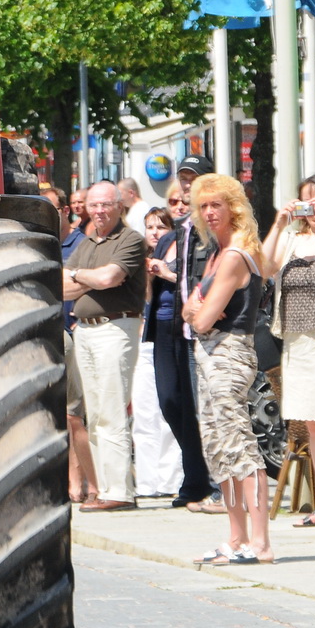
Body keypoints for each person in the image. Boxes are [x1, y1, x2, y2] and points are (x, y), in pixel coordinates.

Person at [183, 175, 272, 564]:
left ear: (233, 206)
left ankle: (261, 543)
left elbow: (200, 319)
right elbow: (193, 311)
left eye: (216, 204)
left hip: (229, 353)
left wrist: (198, 312)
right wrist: (197, 311)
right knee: (217, 447)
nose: (209, 212)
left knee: (238, 444)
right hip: (208, 355)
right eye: (203, 206)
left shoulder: (235, 255)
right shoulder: (217, 253)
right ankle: (236, 538)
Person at [261, 174, 315, 529]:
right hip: (297, 342)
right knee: (313, 424)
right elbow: (264, 267)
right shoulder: (292, 240)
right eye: (305, 201)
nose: (311, 208)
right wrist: (279, 223)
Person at [64, 180, 148, 511]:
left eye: (105, 205)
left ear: (119, 206)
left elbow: (109, 279)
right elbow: (62, 286)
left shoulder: (130, 239)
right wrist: (91, 278)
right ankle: (103, 488)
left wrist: (80, 277)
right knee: (95, 412)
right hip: (85, 330)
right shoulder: (87, 243)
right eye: (93, 205)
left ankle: (119, 492)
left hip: (116, 327)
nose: (98, 211)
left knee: (112, 409)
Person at [144, 179, 215, 509]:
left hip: (189, 326)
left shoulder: (202, 238)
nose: (178, 206)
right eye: (173, 201)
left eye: (183, 201)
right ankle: (195, 470)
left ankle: (197, 479)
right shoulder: (168, 240)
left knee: (194, 407)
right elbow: (151, 291)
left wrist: (168, 274)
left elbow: (198, 282)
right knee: (169, 401)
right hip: (162, 326)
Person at [43, 187, 95, 502]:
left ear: (65, 211)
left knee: (73, 414)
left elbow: (86, 283)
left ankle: (78, 484)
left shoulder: (79, 244)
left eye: (50, 209)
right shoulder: (35, 242)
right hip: (45, 337)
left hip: (70, 333)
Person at [130, 210, 183, 499]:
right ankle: (147, 482)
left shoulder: (175, 259)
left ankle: (170, 480)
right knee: (143, 412)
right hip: (142, 340)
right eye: (149, 227)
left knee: (167, 411)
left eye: (161, 226)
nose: (154, 232)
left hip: (165, 338)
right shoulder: (139, 262)